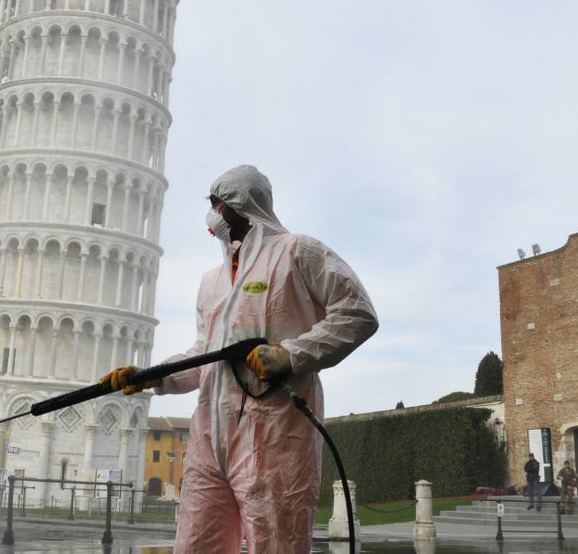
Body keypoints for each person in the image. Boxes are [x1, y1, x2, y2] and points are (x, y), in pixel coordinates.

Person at [102, 165, 378, 554]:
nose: (213, 214)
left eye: (218, 203)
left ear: (241, 204)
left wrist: (291, 355)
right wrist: (153, 377)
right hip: (209, 441)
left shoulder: (298, 252)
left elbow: (357, 314)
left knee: (276, 543)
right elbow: (206, 356)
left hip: (275, 435)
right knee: (197, 543)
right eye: (211, 205)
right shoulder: (211, 281)